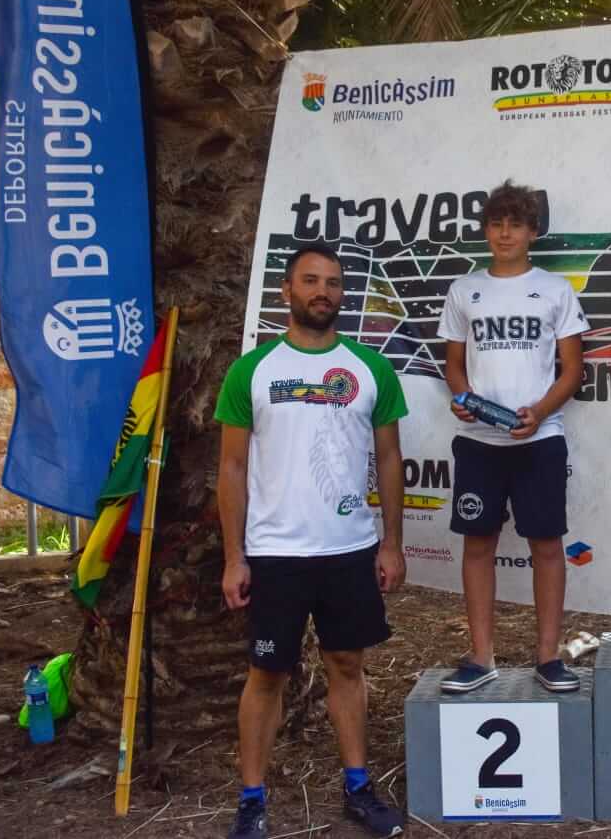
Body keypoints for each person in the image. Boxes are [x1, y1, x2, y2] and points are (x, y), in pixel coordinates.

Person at [216, 242, 408, 839]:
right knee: (267, 674)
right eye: (310, 280)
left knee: (347, 664)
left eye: (332, 282)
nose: (322, 291)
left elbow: (389, 457)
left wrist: (391, 543)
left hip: (348, 549)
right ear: (287, 291)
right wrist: (234, 557)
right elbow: (231, 467)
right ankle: (252, 801)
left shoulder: (371, 369)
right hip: (276, 554)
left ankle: (358, 787)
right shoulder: (252, 371)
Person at [436, 180, 587, 693]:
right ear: (485, 230)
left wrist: (540, 412)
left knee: (547, 544)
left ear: (532, 232)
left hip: (540, 440)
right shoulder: (464, 291)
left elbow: (573, 370)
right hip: (479, 442)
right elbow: (454, 365)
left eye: (515, 225)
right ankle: (482, 656)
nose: (504, 233)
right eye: (496, 224)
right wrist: (462, 397)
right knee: (478, 544)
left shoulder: (555, 289)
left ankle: (549, 656)